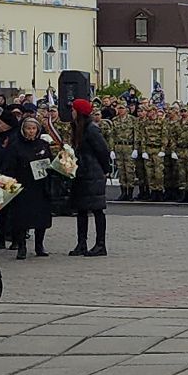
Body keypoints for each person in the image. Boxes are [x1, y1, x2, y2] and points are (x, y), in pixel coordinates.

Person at [0, 113, 54, 260]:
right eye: (28, 128)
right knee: (21, 218)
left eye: (33, 128)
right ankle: (21, 246)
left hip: (40, 186)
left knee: (41, 218)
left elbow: (51, 163)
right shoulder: (16, 146)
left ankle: (39, 245)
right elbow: (9, 165)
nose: (31, 131)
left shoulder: (43, 145)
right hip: (23, 186)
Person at [66, 98, 111, 257]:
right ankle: (81, 243)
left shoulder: (91, 129)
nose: (71, 112)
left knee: (97, 209)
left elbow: (103, 150)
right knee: (81, 210)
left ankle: (100, 244)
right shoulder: (78, 128)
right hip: (81, 173)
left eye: (73, 110)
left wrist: (106, 170)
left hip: (93, 174)